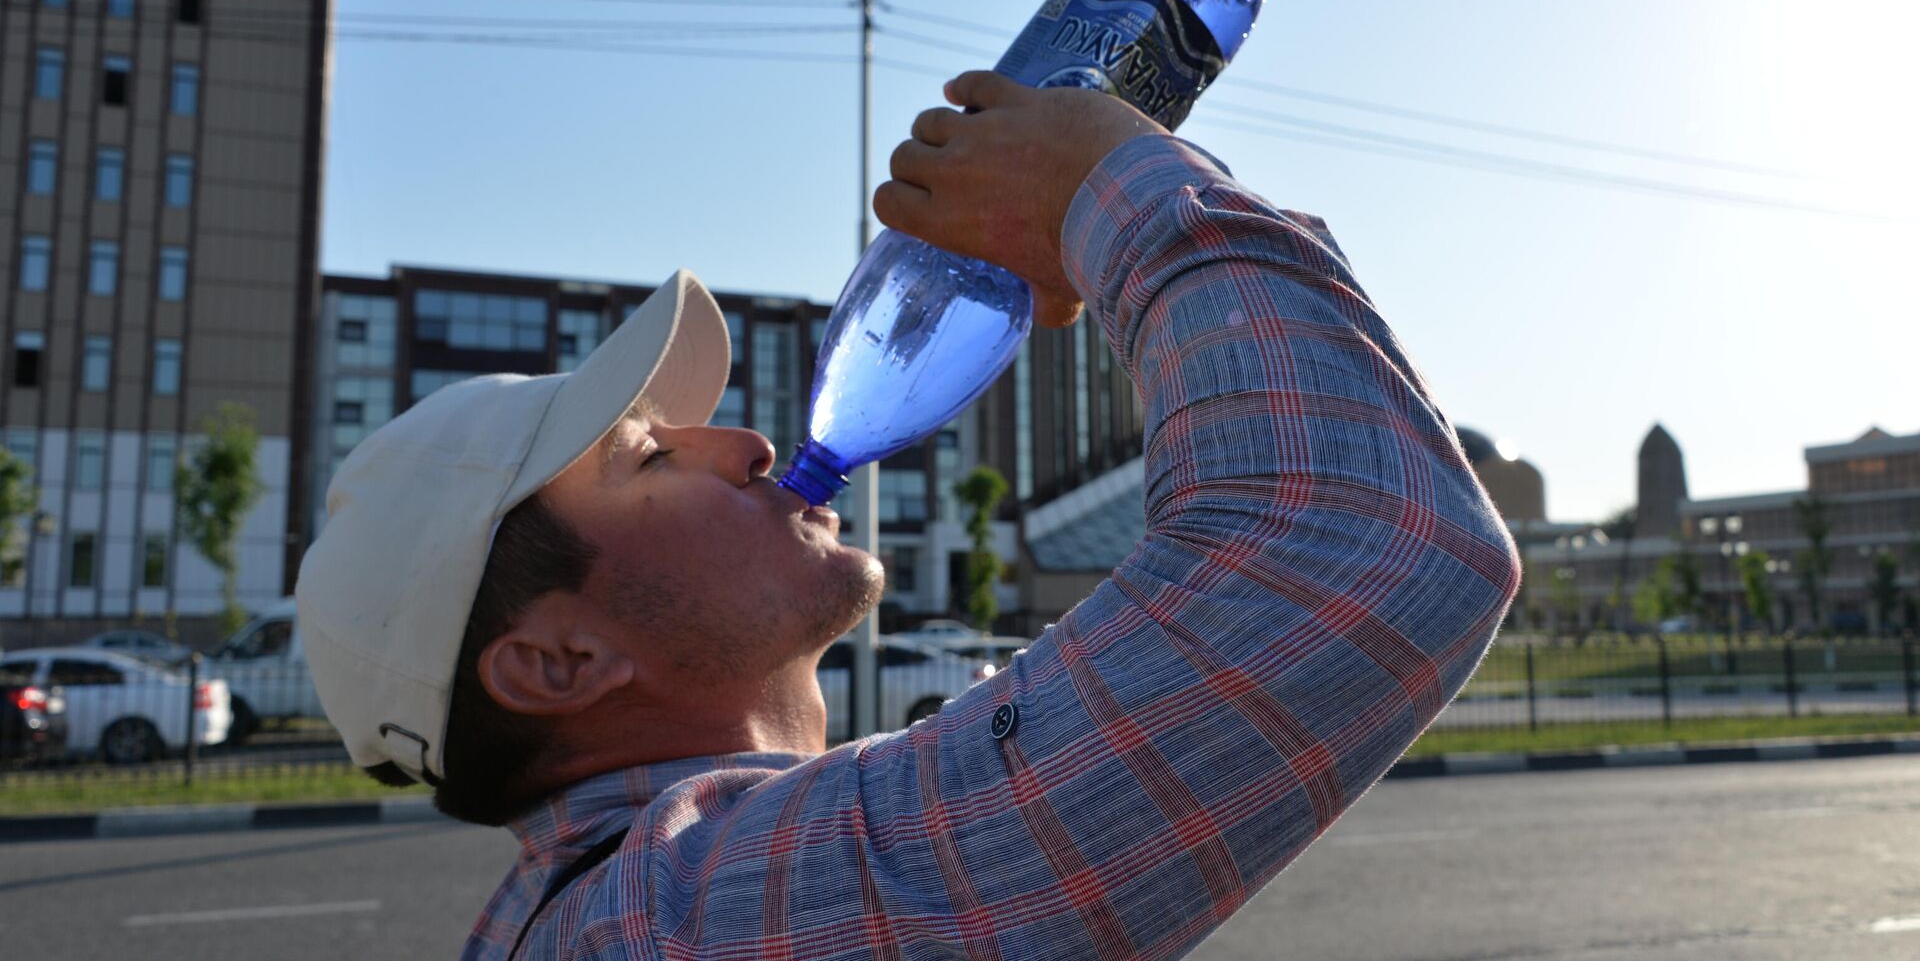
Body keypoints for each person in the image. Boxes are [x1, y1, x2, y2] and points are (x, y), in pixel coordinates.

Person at [296, 70, 1521, 960]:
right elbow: (1365, 544)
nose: (752, 444)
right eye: (650, 456)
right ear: (559, 660)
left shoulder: (600, 910)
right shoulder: (685, 917)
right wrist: (1113, 180)